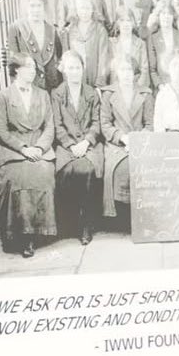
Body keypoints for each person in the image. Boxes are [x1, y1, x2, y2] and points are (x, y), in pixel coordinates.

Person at [0, 51, 57, 258]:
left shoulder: (43, 94)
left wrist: (39, 148)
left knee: (42, 172)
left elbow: (50, 127)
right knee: (18, 178)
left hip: (39, 147)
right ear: (16, 70)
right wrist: (23, 148)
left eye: (33, 67)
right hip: (15, 150)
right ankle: (21, 236)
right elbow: (2, 131)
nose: (33, 71)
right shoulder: (3, 96)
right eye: (28, 67)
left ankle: (42, 233)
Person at [50, 49, 103, 245]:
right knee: (66, 170)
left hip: (89, 144)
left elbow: (96, 123)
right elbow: (58, 125)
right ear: (64, 70)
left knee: (88, 169)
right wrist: (71, 145)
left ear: (83, 69)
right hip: (67, 146)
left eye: (77, 67)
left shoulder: (91, 94)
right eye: (70, 68)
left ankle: (86, 225)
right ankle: (69, 223)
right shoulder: (57, 94)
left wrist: (86, 142)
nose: (74, 72)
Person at [100, 57, 150, 223]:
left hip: (140, 142)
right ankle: (121, 218)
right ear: (117, 73)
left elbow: (150, 124)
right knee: (121, 168)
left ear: (135, 73)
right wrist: (122, 138)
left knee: (142, 167)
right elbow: (105, 124)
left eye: (129, 70)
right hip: (117, 144)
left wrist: (136, 140)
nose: (126, 74)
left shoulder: (145, 93)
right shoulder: (108, 94)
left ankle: (141, 215)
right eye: (122, 70)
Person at [6, 0, 63, 94]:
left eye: (39, 6)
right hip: (28, 87)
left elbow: (59, 56)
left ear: (44, 7)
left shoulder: (52, 30)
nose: (36, 10)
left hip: (51, 88)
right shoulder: (17, 29)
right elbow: (13, 63)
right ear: (26, 8)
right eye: (32, 6)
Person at [65, 0, 112, 88]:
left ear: (93, 9)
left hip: (94, 79)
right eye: (82, 8)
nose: (85, 12)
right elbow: (66, 58)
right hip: (76, 80)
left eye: (87, 8)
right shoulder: (69, 31)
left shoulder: (100, 30)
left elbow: (104, 58)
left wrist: (100, 82)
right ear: (76, 10)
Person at [146, 2, 179, 94]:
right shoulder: (153, 38)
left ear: (173, 17)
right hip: (163, 86)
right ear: (159, 17)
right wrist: (160, 85)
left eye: (169, 14)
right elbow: (152, 70)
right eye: (163, 14)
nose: (166, 17)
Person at [109, 6, 147, 81]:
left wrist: (138, 88)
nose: (125, 24)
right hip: (117, 85)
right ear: (117, 23)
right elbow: (111, 71)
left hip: (136, 86)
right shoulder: (112, 43)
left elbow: (144, 70)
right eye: (122, 20)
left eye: (128, 20)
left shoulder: (140, 44)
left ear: (133, 23)